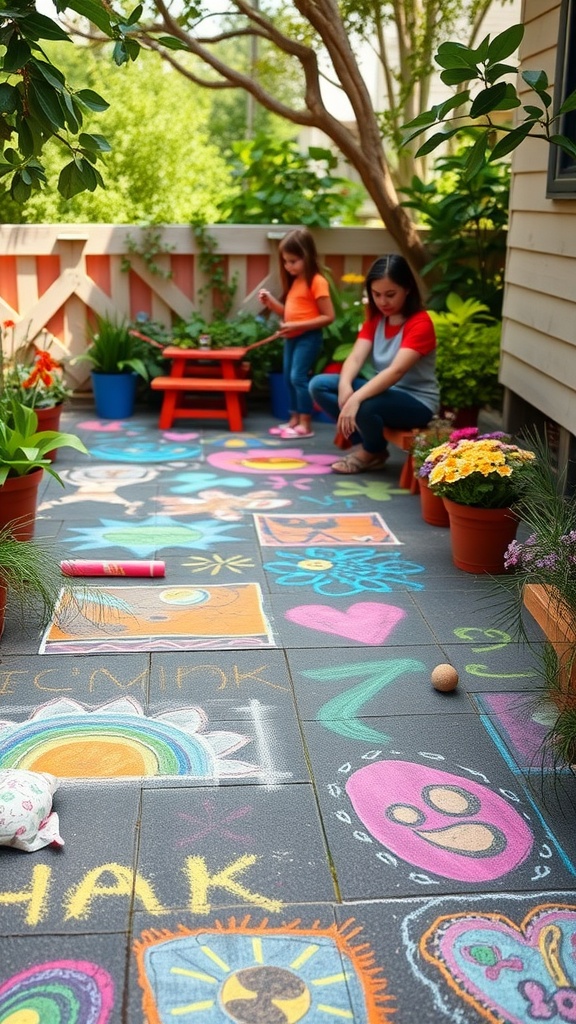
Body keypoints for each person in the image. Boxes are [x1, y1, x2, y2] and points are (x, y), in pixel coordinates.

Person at [309, 254, 439, 473]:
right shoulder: (377, 317)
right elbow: (356, 356)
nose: (383, 302)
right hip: (384, 392)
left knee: (364, 405)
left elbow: (396, 371)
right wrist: (345, 386)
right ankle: (370, 446)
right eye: (376, 294)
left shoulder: (420, 323)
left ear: (407, 289)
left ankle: (372, 451)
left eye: (390, 294)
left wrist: (356, 397)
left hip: (417, 401)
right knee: (319, 385)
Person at [259, 228, 335, 439]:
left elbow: (328, 316)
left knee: (298, 377)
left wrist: (296, 327)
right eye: (285, 261)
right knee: (288, 378)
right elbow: (290, 314)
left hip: (308, 338)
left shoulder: (317, 281)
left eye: (293, 261)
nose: (288, 266)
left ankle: (305, 423)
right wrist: (271, 303)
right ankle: (293, 420)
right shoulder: (296, 281)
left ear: (307, 256)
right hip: (293, 337)